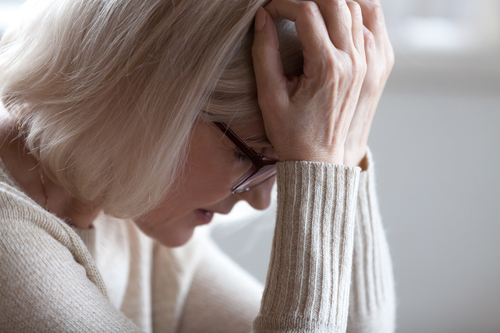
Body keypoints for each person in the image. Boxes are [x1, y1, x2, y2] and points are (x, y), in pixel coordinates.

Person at [0, 0, 395, 331]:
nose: (261, 200)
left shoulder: (125, 204)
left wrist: (344, 147)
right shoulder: (10, 245)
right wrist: (315, 162)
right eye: (251, 156)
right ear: (153, 100)